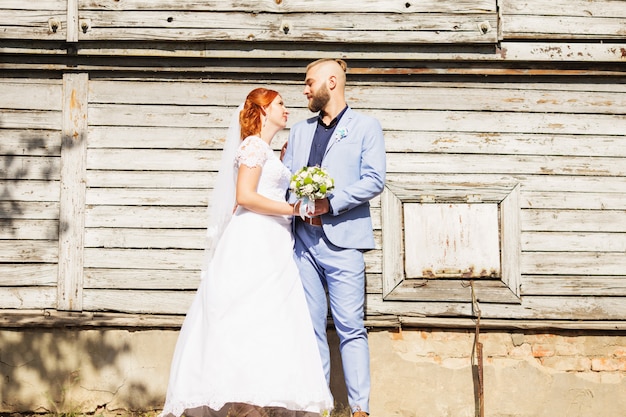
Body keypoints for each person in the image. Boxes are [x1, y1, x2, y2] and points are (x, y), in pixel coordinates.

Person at [160, 88, 333, 417]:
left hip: (275, 239)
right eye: (280, 104)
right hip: (255, 238)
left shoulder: (268, 150)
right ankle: (242, 401)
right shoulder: (253, 145)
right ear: (264, 110)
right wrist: (294, 209)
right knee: (246, 315)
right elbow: (246, 196)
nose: (287, 109)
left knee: (267, 319)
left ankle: (255, 400)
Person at [282, 59, 386, 417]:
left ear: (332, 82)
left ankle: (360, 410)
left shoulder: (367, 127)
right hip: (302, 245)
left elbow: (374, 179)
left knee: (350, 328)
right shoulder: (299, 130)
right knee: (310, 330)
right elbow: (287, 182)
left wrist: (332, 203)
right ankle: (317, 407)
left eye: (309, 82)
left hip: (344, 242)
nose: (305, 89)